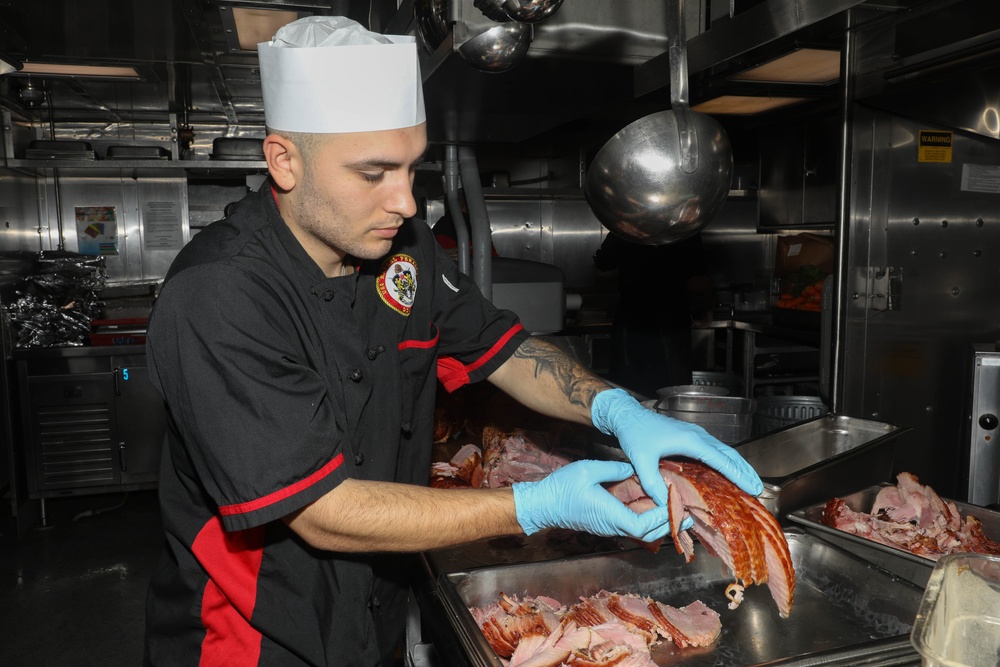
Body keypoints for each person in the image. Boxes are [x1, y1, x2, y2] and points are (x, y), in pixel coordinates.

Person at [143, 16, 761, 667]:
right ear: (284, 162)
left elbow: (504, 348)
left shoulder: (403, 249)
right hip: (253, 641)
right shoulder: (219, 293)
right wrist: (535, 505)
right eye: (374, 173)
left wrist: (618, 408)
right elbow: (321, 509)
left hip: (374, 617)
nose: (407, 203)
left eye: (412, 168)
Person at [594, 231, 715, 397]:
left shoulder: (626, 226)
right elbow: (697, 281)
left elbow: (601, 270)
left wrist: (634, 267)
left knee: (629, 391)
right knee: (669, 394)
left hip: (631, 322)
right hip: (668, 324)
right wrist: (707, 306)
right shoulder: (683, 228)